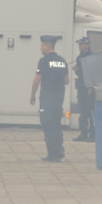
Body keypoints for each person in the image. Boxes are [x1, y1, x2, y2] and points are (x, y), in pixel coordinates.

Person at [30, 34, 68, 162]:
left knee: (47, 125)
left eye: (42, 45)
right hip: (59, 99)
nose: (40, 48)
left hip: (47, 99)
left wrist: (32, 95)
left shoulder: (44, 61)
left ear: (46, 46)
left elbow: (37, 80)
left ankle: (52, 154)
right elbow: (67, 80)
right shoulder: (62, 61)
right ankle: (59, 149)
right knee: (56, 125)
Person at [72, 36, 94, 142]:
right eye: (80, 44)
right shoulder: (79, 57)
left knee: (90, 112)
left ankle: (93, 134)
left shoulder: (92, 57)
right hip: (81, 87)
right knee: (83, 112)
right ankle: (83, 133)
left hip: (89, 88)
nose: (81, 46)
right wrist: (76, 70)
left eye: (82, 44)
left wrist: (79, 69)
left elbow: (91, 72)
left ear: (87, 45)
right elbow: (80, 73)